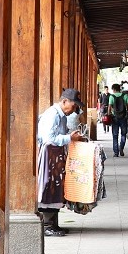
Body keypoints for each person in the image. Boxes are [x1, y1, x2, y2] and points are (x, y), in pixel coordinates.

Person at [36, 88, 87, 236]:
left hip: (55, 158)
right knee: (47, 188)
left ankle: (53, 223)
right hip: (48, 157)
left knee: (56, 189)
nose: (74, 109)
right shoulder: (53, 115)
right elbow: (48, 138)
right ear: (64, 101)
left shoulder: (62, 116)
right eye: (74, 105)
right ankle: (46, 225)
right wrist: (69, 138)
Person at [106, 83, 128, 157]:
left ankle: (116, 152)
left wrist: (108, 115)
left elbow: (109, 108)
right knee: (123, 134)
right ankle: (121, 148)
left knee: (115, 135)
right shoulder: (125, 95)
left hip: (115, 118)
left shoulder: (112, 96)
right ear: (119, 88)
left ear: (113, 89)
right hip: (124, 117)